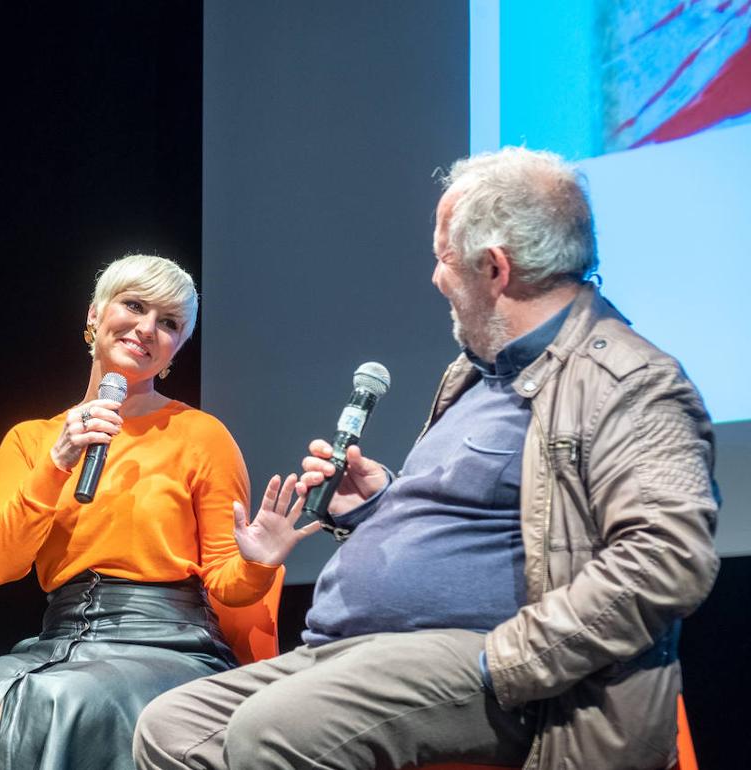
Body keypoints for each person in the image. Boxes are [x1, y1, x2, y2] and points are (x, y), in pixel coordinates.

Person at [133, 147, 720, 770]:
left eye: (444, 257)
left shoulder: (628, 379)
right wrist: (378, 504)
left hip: (497, 665)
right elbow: (477, 513)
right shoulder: (472, 375)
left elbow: (668, 558)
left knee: (270, 732)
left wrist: (512, 659)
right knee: (171, 727)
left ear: (495, 268)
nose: (437, 277)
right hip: (358, 651)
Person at [0, 254, 320, 770]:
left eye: (169, 323)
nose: (147, 328)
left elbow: (228, 584)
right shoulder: (32, 439)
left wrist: (258, 562)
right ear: (94, 316)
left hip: (168, 643)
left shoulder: (201, 436)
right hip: (61, 638)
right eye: (134, 306)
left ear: (175, 349)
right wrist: (57, 463)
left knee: (62, 699)